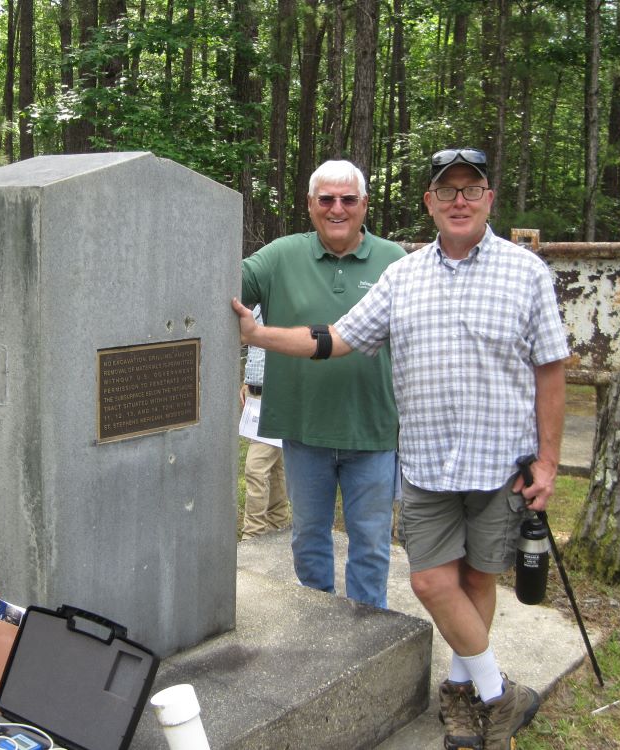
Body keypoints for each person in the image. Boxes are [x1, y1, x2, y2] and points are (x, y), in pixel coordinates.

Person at [231, 147, 569, 750]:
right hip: (428, 462)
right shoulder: (405, 275)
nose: (459, 201)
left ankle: (466, 695)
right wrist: (257, 335)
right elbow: (335, 338)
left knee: (478, 578)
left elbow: (550, 369)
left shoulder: (525, 272)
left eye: (471, 190)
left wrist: (548, 460)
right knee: (431, 581)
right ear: (429, 203)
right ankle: (500, 692)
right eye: (447, 191)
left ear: (489, 198)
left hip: (496, 464)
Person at [240, 159, 405, 609]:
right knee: (308, 538)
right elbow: (225, 287)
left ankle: (371, 633)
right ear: (310, 205)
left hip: (371, 431)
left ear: (364, 205)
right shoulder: (280, 256)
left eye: (348, 199)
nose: (338, 209)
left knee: (370, 545)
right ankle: (317, 623)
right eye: (326, 199)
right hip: (304, 431)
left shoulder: (395, 261)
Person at [238, 305, 290, 540]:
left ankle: (253, 535)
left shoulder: (282, 305)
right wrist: (247, 382)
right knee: (275, 464)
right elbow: (256, 351)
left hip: (276, 395)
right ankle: (278, 524)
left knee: (256, 467)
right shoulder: (256, 308)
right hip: (256, 395)